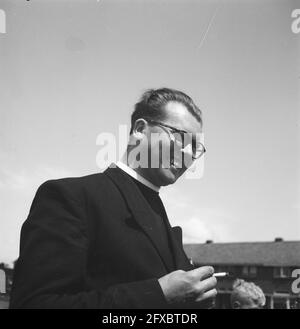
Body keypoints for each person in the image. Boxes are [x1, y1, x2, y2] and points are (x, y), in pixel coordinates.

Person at [10, 88, 217, 309]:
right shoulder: (72, 197)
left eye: (194, 147)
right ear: (139, 130)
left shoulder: (161, 218)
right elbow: (33, 304)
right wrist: (156, 294)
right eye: (178, 137)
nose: (186, 152)